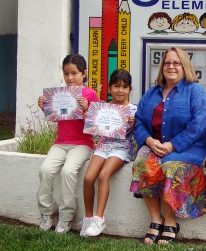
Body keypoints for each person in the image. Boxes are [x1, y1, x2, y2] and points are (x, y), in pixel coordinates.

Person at [129, 47, 206, 245]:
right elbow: (139, 121)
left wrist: (172, 145)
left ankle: (170, 222)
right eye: (167, 63)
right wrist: (149, 141)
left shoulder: (195, 91)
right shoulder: (151, 93)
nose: (171, 66)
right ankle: (156, 218)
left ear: (184, 66)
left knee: (169, 166)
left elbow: (199, 124)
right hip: (155, 144)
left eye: (176, 63)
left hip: (188, 147)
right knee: (143, 163)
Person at [37, 54, 99, 234]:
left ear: (84, 73)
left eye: (74, 73)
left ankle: (66, 216)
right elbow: (58, 118)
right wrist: (45, 108)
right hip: (60, 143)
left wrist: (87, 109)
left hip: (82, 144)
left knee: (68, 171)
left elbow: (96, 126)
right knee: (45, 170)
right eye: (66, 74)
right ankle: (47, 213)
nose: (70, 78)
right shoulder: (59, 94)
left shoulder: (90, 94)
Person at [80, 69, 136, 237]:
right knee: (89, 177)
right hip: (103, 146)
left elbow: (135, 134)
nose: (120, 90)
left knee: (104, 175)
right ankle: (88, 218)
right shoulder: (102, 107)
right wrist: (86, 113)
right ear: (109, 87)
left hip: (122, 148)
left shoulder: (132, 109)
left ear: (130, 90)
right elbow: (93, 128)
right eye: (117, 86)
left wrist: (133, 124)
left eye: (124, 87)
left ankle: (99, 218)